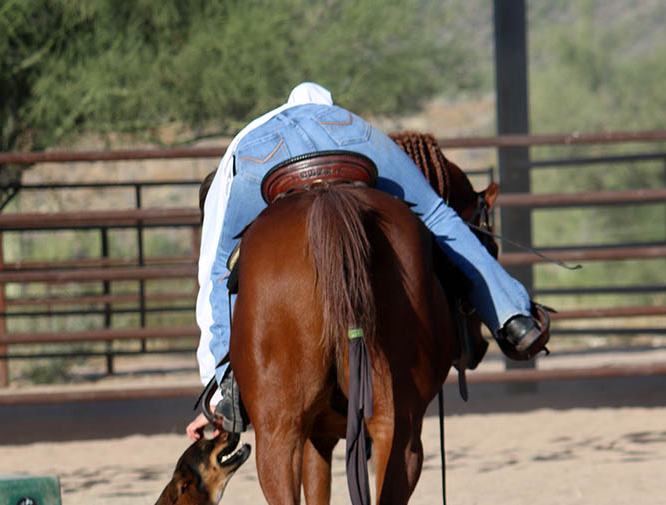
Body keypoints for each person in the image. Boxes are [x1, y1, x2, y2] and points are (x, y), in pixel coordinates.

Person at [186, 82, 548, 440]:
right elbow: (436, 213)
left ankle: (227, 388)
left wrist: (211, 381)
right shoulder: (347, 121)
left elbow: (211, 273)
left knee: (221, 267)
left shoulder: (241, 146)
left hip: (262, 153)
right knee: (437, 215)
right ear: (328, 106)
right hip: (349, 137)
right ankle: (513, 318)